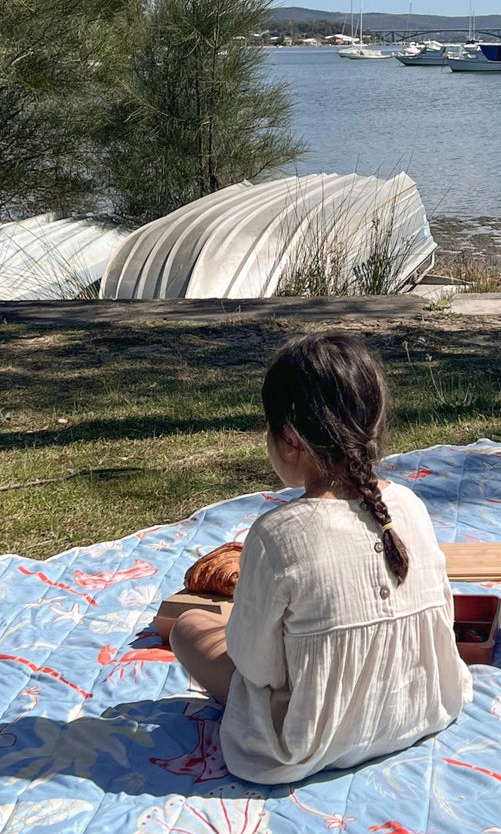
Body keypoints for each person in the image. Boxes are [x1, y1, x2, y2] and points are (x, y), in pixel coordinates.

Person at [169, 333, 472, 783]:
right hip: (425, 707)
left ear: (289, 439)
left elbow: (257, 669)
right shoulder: (409, 504)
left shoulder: (276, 535)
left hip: (306, 740)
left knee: (188, 626)